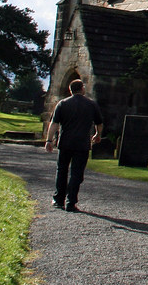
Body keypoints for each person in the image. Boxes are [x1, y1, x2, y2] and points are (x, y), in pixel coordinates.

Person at [45, 78, 103, 212]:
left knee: (62, 171)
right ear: (82, 88)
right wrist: (97, 134)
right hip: (82, 144)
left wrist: (49, 141)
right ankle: (71, 202)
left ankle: (59, 199)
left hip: (65, 142)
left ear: (71, 90)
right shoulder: (91, 104)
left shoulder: (62, 104)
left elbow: (54, 124)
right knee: (77, 173)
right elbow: (99, 123)